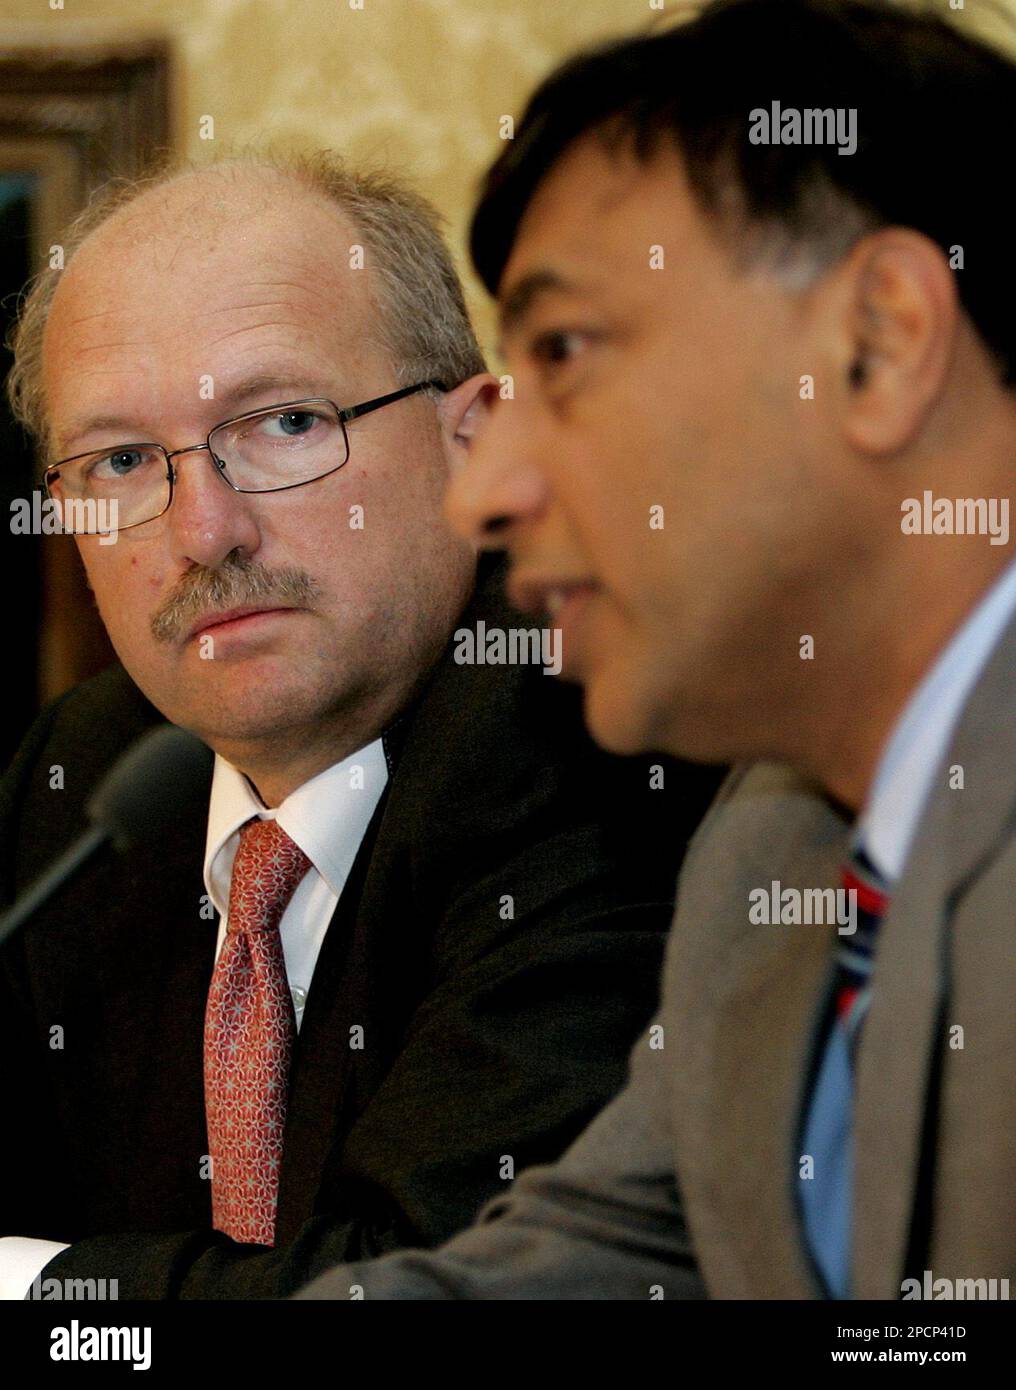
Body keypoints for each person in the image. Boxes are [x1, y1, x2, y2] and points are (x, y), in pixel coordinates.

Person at [297, 0, 1016, 1300]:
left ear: (882, 340)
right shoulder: (775, 845)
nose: (484, 493)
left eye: (565, 352)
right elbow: (611, 1253)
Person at [0, 151, 721, 1299]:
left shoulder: (600, 750)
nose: (203, 531)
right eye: (124, 461)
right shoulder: (84, 780)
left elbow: (415, 1281)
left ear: (473, 438)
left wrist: (39, 1296)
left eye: (284, 422)